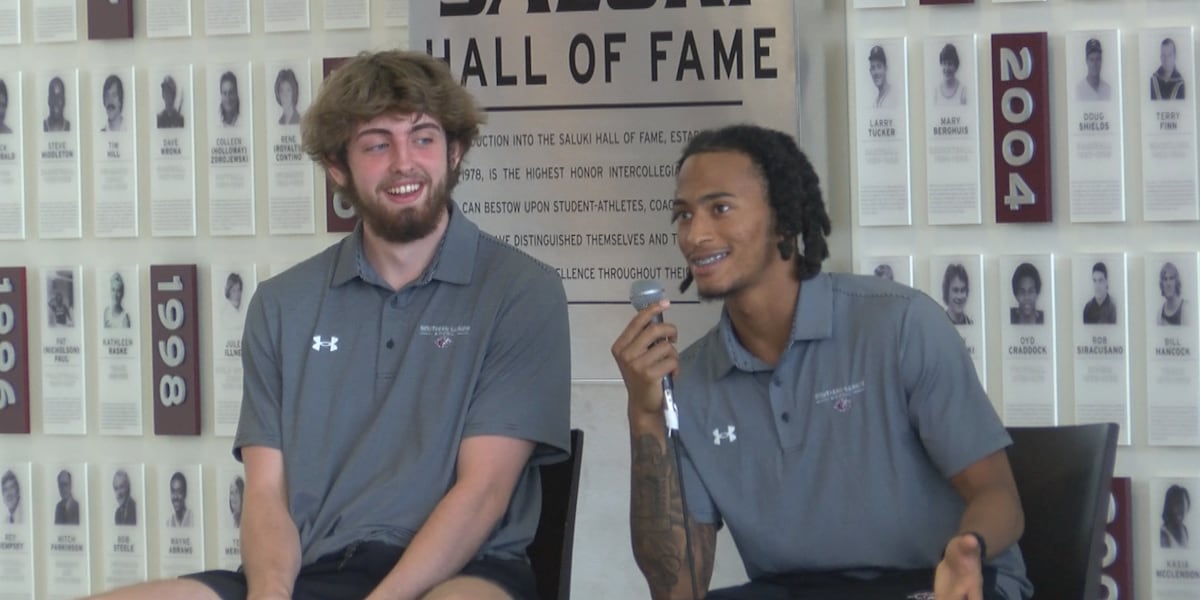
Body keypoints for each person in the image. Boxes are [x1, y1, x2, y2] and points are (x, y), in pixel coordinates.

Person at [89, 50, 570, 600]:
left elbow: (483, 492)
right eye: (376, 144)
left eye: (423, 138)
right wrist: (270, 593)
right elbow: (266, 495)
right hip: (307, 575)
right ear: (338, 167)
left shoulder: (521, 290)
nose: (404, 163)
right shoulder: (280, 304)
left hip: (463, 573)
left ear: (454, 151)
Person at [612, 124, 1030, 600]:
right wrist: (645, 415)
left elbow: (1002, 499)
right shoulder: (686, 381)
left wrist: (967, 549)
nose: (695, 234)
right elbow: (678, 588)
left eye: (720, 208)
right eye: (683, 215)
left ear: (784, 220)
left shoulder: (900, 326)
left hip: (937, 581)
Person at [1161, 485, 1191, 549]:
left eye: (1184, 505)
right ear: (1169, 506)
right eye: (1178, 505)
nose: (1181, 510)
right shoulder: (1163, 535)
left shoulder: (1184, 530)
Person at [1158, 261, 1186, 326]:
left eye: (1171, 278)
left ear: (1176, 282)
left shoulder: (1185, 309)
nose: (1168, 283)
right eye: (1165, 279)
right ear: (1162, 284)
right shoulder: (1159, 314)